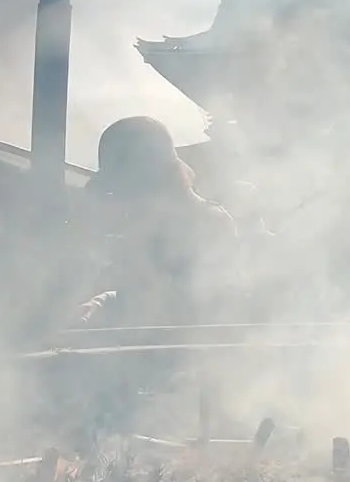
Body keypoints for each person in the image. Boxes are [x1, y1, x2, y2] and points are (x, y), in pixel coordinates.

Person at [79, 116, 242, 327]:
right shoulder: (144, 227)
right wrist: (104, 301)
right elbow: (136, 295)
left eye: (123, 188)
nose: (121, 200)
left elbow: (211, 310)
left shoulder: (211, 225)